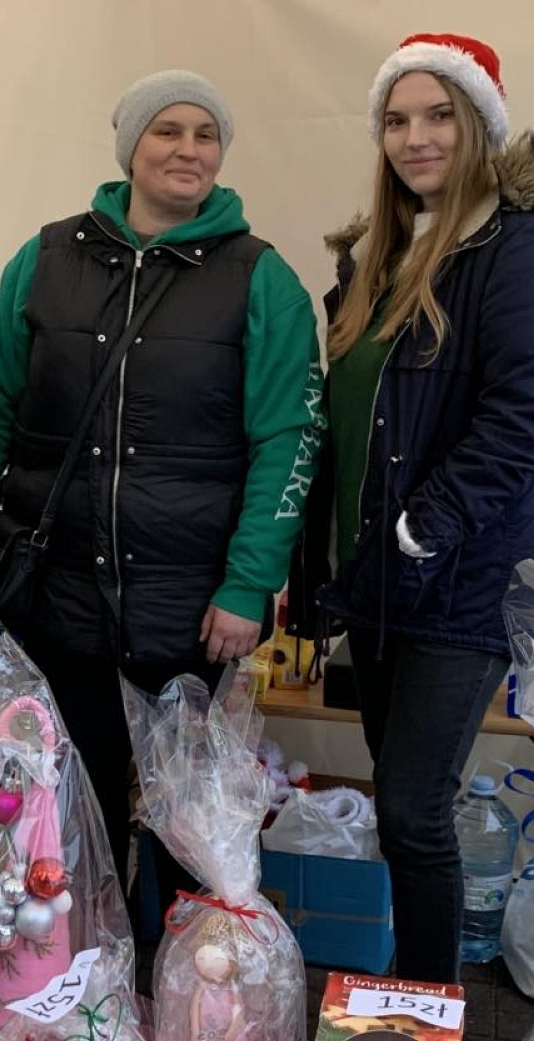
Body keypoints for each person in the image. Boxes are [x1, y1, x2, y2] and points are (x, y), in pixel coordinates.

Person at [0, 70, 323, 919]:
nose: (188, 150)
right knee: (65, 814)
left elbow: (288, 440)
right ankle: (83, 971)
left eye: (206, 133)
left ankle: (192, 978)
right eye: (168, 130)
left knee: (188, 828)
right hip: (56, 600)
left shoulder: (260, 277)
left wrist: (249, 581)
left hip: (192, 609)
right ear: (130, 147)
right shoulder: (45, 259)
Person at [292, 33, 534, 982]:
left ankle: (431, 1014)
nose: (415, 137)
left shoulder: (510, 251)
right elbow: (346, 426)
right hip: (379, 581)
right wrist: (323, 560)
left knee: (414, 810)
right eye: (396, 120)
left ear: (480, 126)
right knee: (401, 802)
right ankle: (407, 1009)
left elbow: (520, 417)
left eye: (439, 116)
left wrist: (423, 527)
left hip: (457, 579)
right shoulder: (377, 259)